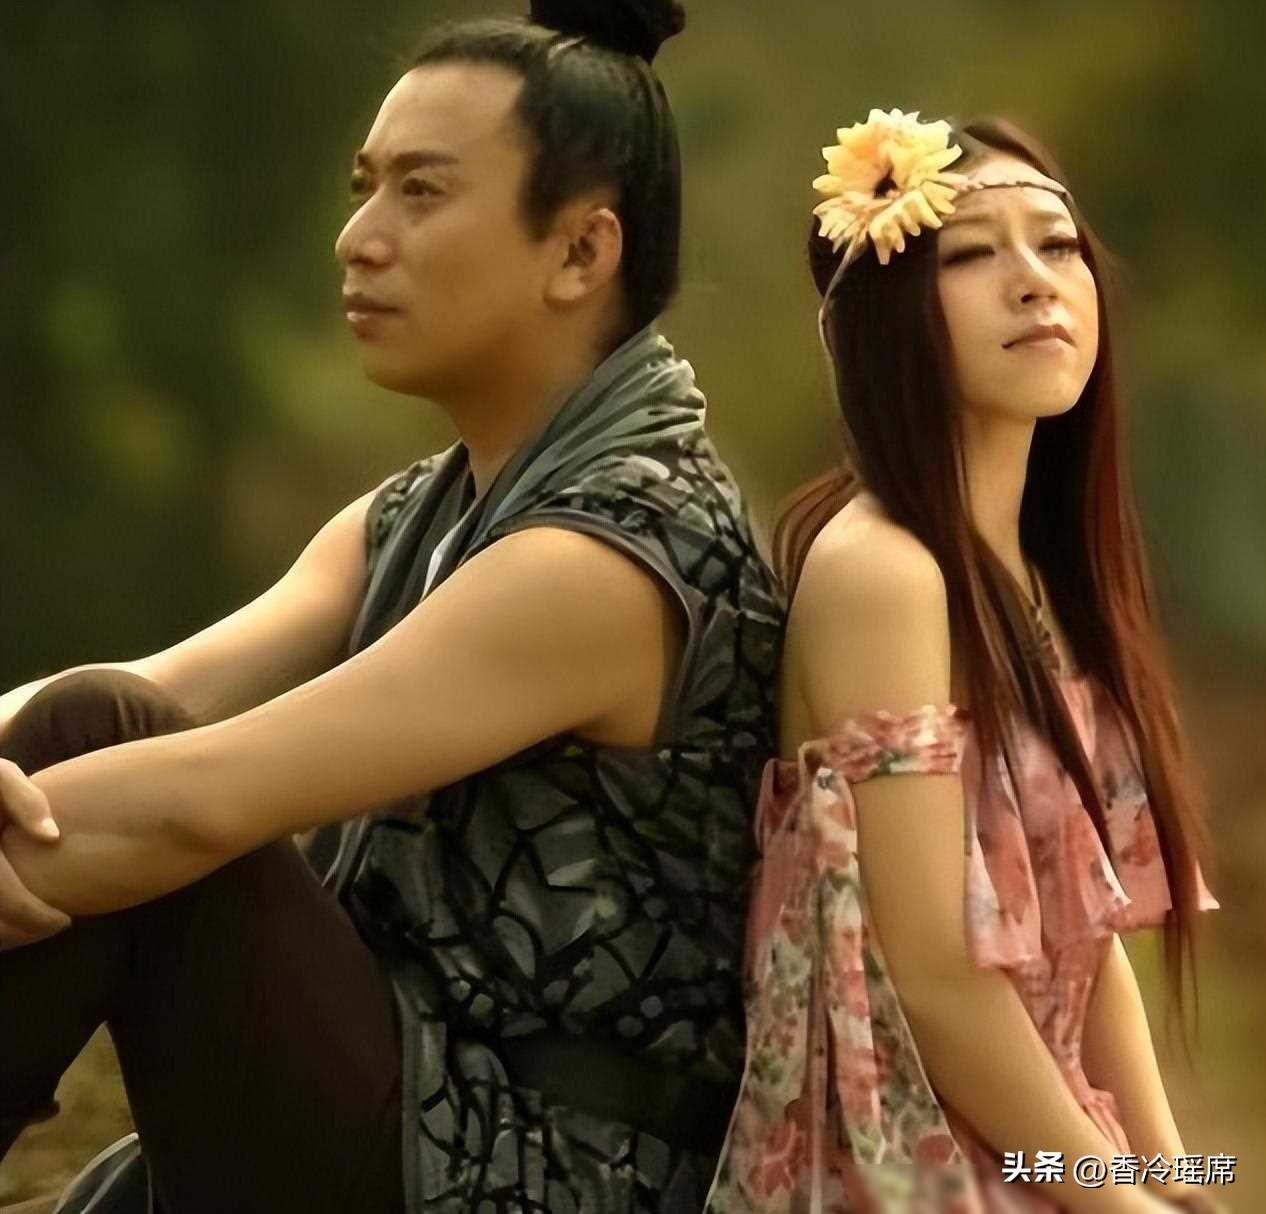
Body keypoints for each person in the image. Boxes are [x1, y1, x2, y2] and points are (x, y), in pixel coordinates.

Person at [0, 3, 784, 1211]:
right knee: (89, 722)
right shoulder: (425, 510)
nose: (358, 238)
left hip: (532, 1170)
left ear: (581, 252)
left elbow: (207, 795)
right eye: (366, 188)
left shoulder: (616, 553)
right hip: (398, 1100)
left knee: (102, 757)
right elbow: (162, 686)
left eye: (421, 193)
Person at [705, 110, 1221, 1213]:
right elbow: (934, 976)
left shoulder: (1036, 576)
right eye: (973, 255)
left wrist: (1170, 1179)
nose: (1036, 282)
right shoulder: (884, 571)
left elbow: (1083, 947)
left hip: (1040, 1147)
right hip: (912, 1161)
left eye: (1059, 244)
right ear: (888, 320)